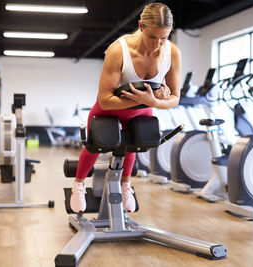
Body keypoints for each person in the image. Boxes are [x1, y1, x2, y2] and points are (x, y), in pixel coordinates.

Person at [71, 2, 182, 213]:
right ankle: (78, 185)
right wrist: (147, 100)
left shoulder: (173, 53)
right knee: (94, 145)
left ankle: (125, 185)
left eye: (164, 38)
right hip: (109, 109)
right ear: (141, 26)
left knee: (132, 145)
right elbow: (105, 100)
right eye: (152, 37)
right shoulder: (118, 50)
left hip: (142, 109)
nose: (157, 45)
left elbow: (175, 98)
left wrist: (156, 103)